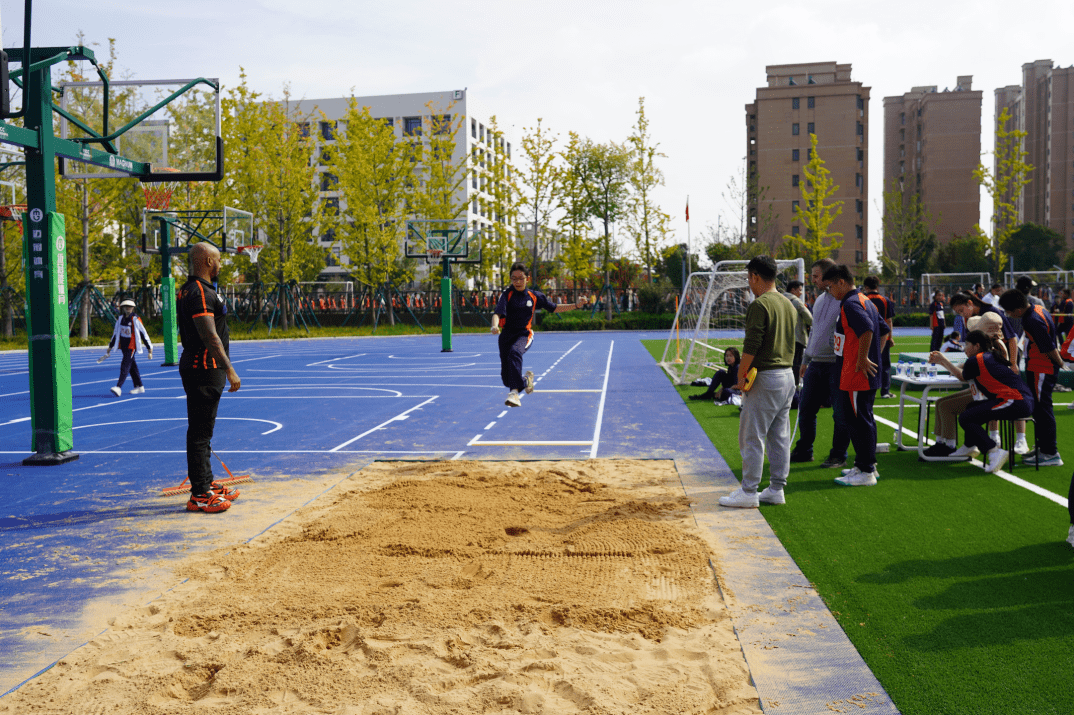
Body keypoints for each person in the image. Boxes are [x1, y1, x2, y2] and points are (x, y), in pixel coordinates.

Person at [718, 256, 797, 508]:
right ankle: (776, 488)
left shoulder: (760, 304)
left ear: (754, 276)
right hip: (787, 375)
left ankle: (749, 491)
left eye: (748, 278)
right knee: (779, 436)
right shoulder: (789, 304)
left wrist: (741, 376)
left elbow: (751, 346)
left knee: (752, 436)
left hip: (766, 376)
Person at [177, 242, 241, 514]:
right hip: (204, 367)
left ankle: (206, 482)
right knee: (200, 433)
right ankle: (200, 494)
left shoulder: (195, 290)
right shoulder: (200, 292)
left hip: (203, 367)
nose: (220, 264)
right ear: (206, 262)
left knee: (204, 431)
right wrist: (229, 368)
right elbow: (209, 335)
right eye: (217, 259)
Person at [929, 329, 1034, 474]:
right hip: (1019, 399)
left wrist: (943, 361)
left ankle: (993, 451)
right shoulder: (987, 356)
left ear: (976, 346)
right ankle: (969, 445)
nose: (964, 348)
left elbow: (962, 376)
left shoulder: (976, 360)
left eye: (967, 344)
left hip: (1015, 401)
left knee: (966, 418)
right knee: (971, 408)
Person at [491, 262, 585, 407]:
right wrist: (494, 325)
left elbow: (554, 308)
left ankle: (514, 394)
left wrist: (576, 305)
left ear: (527, 278)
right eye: (514, 278)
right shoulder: (507, 295)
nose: (517, 282)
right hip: (506, 336)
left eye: (520, 278)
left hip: (524, 334)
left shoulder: (534, 296)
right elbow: (497, 313)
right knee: (506, 378)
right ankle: (526, 380)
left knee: (515, 352)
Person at [824, 264, 884, 486]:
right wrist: (873, 357)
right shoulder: (865, 300)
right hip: (859, 371)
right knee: (861, 418)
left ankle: (866, 470)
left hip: (857, 373)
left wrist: (862, 359)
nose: (830, 291)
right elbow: (883, 331)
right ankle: (865, 464)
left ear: (841, 282)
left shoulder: (851, 303)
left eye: (830, 286)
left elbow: (868, 329)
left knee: (859, 420)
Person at [949, 291, 1026, 450]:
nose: (962, 314)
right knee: (991, 397)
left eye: (962, 310)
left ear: (970, 303)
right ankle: (993, 436)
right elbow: (972, 347)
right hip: (988, 359)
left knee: (1010, 394)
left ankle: (1021, 439)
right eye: (958, 313)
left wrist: (1013, 363)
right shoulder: (969, 321)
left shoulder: (992, 313)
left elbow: (1011, 337)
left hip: (1002, 358)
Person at [790, 258, 849, 467]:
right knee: (806, 409)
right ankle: (805, 449)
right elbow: (814, 330)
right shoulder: (820, 300)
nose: (812, 280)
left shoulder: (846, 299)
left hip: (836, 364)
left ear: (827, 276)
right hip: (816, 363)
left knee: (840, 413)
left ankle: (838, 454)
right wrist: (807, 357)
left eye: (815, 276)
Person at [998, 289, 1064, 467]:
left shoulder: (1031, 320)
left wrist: (1060, 363)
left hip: (1042, 368)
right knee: (1039, 408)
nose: (1009, 315)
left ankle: (1050, 452)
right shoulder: (1039, 309)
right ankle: (1043, 446)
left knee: (1043, 410)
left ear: (1018, 310)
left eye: (1010, 312)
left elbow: (1048, 346)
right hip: (1039, 368)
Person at [923, 314, 1002, 458]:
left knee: (947, 406)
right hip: (985, 393)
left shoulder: (985, 353)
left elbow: (962, 375)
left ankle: (951, 445)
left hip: (989, 397)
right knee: (941, 403)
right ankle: (944, 443)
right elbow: (964, 369)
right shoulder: (987, 350)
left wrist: (944, 361)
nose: (965, 345)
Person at [104, 299, 153, 396]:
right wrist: (110, 346)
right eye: (126, 306)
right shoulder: (120, 319)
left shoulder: (135, 319)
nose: (128, 308)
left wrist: (149, 348)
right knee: (132, 367)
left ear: (133, 308)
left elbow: (143, 333)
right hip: (124, 347)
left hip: (131, 347)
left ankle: (118, 387)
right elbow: (116, 333)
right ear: (123, 308)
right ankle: (139, 386)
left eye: (130, 307)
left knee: (125, 365)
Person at [863, 276, 896, 398]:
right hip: (883, 336)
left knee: (868, 362)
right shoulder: (885, 300)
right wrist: (890, 337)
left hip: (867, 336)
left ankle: (867, 388)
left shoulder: (863, 299)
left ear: (866, 287)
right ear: (878, 286)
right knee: (885, 364)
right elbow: (888, 321)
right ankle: (885, 391)